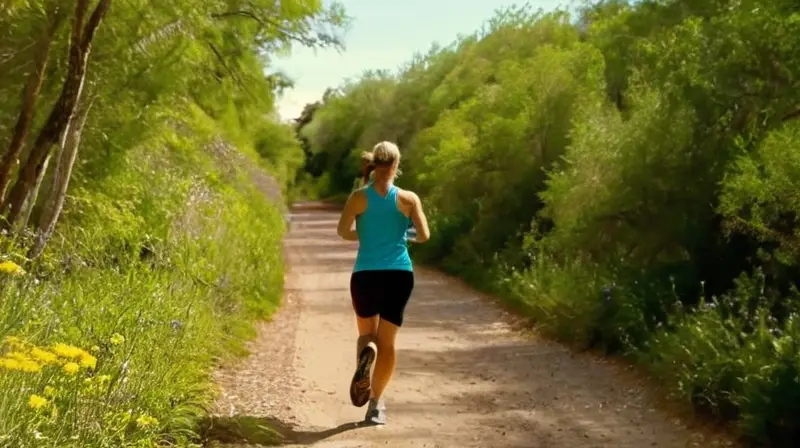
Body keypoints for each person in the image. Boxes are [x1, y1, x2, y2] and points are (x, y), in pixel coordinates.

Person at [336, 141, 430, 425]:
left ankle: (367, 354)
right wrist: (401, 238)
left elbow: (343, 231)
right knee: (388, 342)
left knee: (367, 335)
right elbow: (424, 235)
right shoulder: (408, 199)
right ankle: (376, 405)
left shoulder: (358, 197)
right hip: (399, 274)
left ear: (374, 164)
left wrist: (366, 236)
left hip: (366, 274)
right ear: (396, 166)